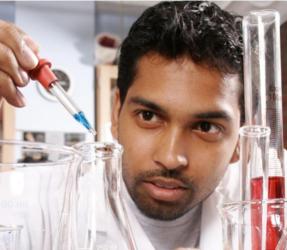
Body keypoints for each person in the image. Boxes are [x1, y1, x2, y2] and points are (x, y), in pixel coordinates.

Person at [0, 1, 243, 249]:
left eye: (205, 127)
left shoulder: (269, 200)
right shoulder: (40, 204)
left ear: (241, 139)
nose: (170, 158)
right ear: (116, 114)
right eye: (148, 116)